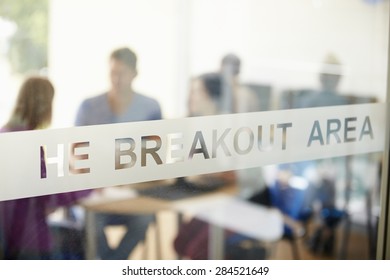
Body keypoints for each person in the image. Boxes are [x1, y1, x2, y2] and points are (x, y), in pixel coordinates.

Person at [74, 47, 162, 259]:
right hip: (97, 193)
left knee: (144, 219)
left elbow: (156, 155)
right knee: (90, 222)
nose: (116, 79)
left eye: (121, 73)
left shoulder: (150, 107)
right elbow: (76, 151)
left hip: (133, 192)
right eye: (112, 72)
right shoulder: (89, 106)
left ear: (134, 74)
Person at [0, 76, 92, 259]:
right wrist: (90, 185)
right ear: (44, 106)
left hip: (8, 236)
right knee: (82, 239)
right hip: (27, 240)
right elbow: (50, 199)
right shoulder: (30, 143)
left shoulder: (5, 134)